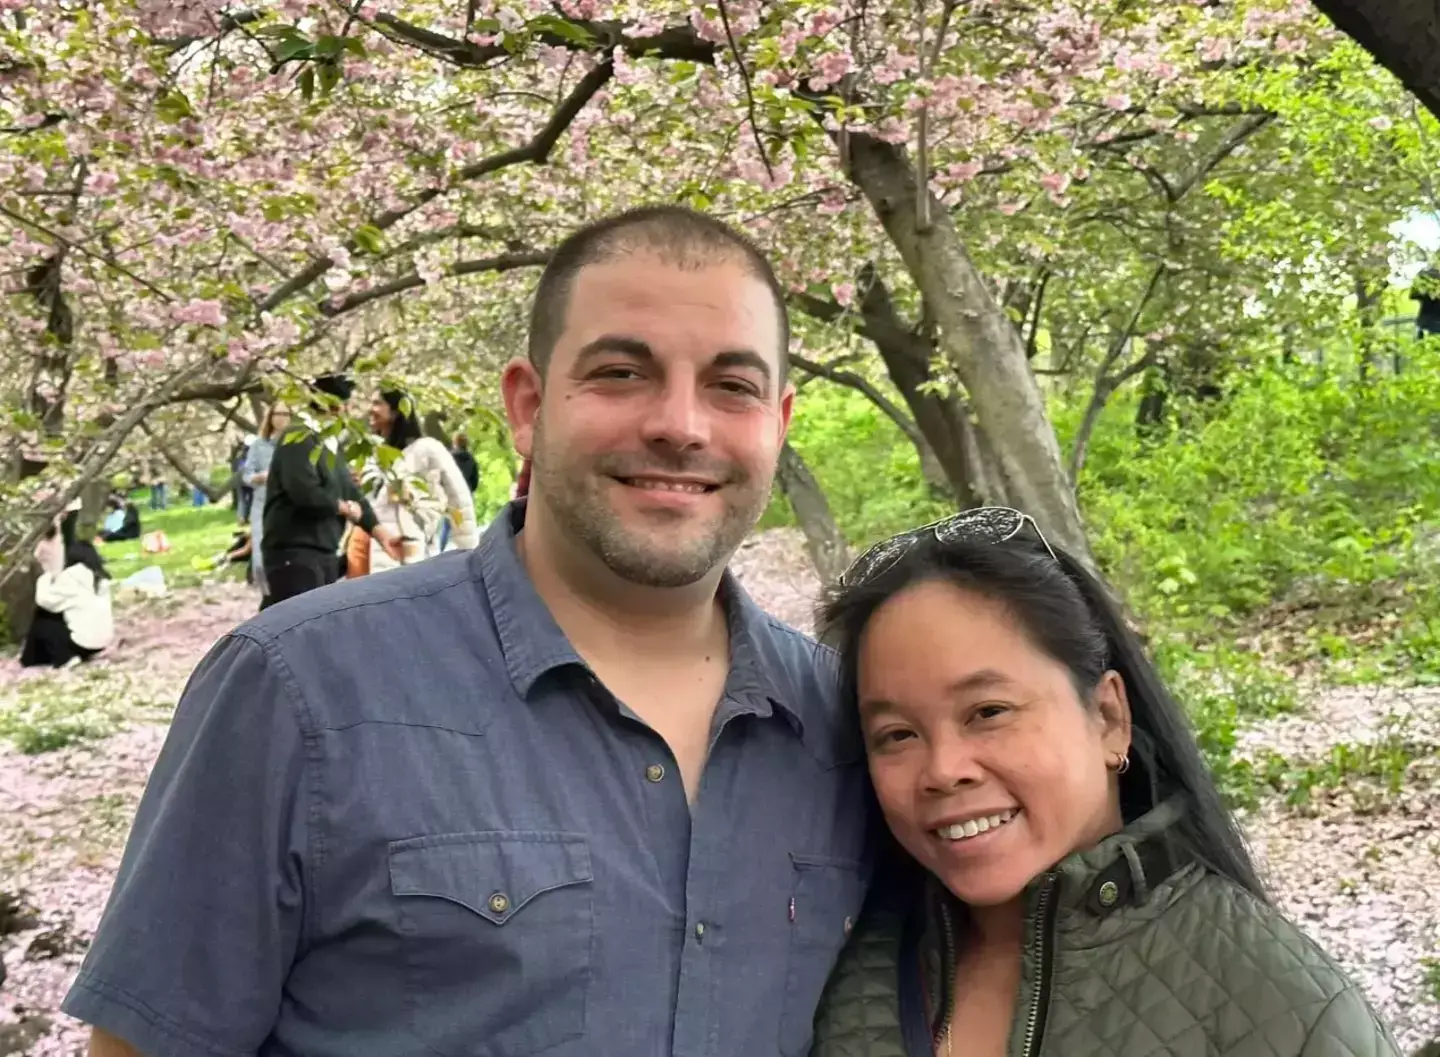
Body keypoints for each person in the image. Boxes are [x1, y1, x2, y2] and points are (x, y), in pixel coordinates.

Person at [64, 205, 870, 1057]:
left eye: (731, 385)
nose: (679, 423)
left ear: (778, 424)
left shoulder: (845, 724)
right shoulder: (300, 689)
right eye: (621, 372)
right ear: (527, 407)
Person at [810, 508, 1400, 1057]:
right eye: (897, 735)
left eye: (988, 712)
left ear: (1108, 717)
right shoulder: (846, 972)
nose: (943, 769)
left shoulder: (1291, 1011)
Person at [258, 375, 402, 609]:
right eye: (346, 404)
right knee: (298, 628)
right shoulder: (299, 437)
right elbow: (303, 491)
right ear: (334, 406)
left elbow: (351, 492)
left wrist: (381, 534)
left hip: (322, 552)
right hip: (295, 552)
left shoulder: (328, 444)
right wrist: (342, 508)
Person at [362, 389, 479, 572]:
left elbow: (459, 498)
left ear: (396, 410)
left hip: (410, 561)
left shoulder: (426, 449)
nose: (371, 409)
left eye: (377, 403)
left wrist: (468, 556)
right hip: (372, 559)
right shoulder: (374, 454)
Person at [22, 502, 115, 668]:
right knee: (55, 616)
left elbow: (43, 600)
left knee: (43, 619)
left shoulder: (72, 577)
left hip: (84, 643)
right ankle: (40, 657)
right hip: (102, 641)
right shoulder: (100, 577)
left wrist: (46, 576)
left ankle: (64, 657)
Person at [242, 403, 288, 601]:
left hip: (286, 506)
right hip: (262, 504)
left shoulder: (294, 445)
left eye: (286, 414)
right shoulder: (258, 445)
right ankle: (266, 595)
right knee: (260, 557)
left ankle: (282, 594)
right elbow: (246, 476)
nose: (281, 418)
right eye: (277, 414)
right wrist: (259, 477)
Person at [440, 431, 480, 550]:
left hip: (450, 495)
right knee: (466, 526)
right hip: (466, 495)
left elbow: (442, 476)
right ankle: (466, 552)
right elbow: (475, 480)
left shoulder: (448, 458)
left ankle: (440, 550)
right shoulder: (471, 459)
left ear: (455, 442)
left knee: (447, 525)